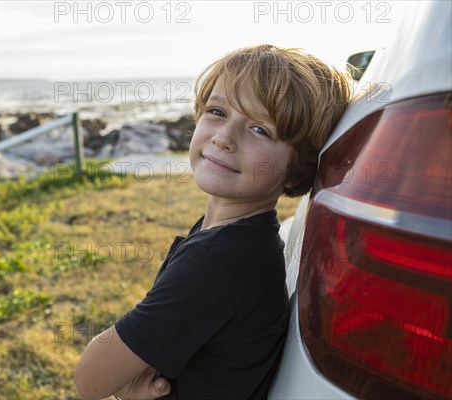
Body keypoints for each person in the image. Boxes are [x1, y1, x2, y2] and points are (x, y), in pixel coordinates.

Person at [74, 44, 351, 400]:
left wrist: (127, 383)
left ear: (297, 168)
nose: (223, 137)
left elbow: (90, 379)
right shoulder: (239, 239)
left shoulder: (217, 263)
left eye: (259, 130)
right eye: (217, 111)